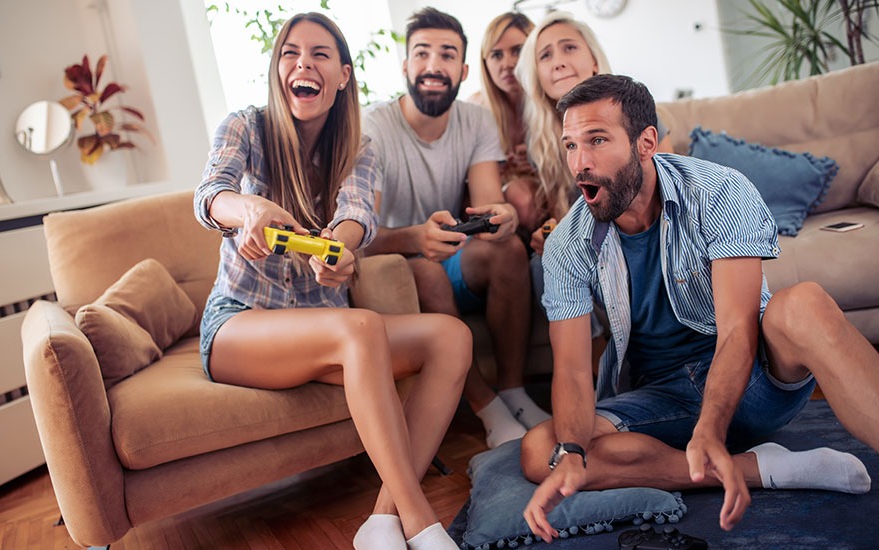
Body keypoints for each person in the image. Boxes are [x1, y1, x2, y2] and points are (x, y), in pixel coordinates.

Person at [520, 74, 878, 540]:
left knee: (803, 303)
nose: (580, 163)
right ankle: (767, 469)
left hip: (752, 381)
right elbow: (569, 370)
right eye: (570, 146)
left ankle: (720, 450)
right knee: (540, 450)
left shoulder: (718, 191)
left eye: (597, 140)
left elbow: (737, 330)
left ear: (646, 142)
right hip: (663, 401)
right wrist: (571, 452)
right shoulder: (567, 243)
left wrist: (711, 426)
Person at [194, 13, 469, 550]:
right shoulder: (245, 126)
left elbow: (357, 214)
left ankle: (382, 521)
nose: (303, 63)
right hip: (240, 326)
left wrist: (338, 248)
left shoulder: (360, 148)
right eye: (290, 53)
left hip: (324, 327)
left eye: (320, 54)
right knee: (359, 328)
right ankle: (421, 522)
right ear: (278, 70)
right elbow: (210, 194)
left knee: (452, 338)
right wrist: (245, 207)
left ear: (343, 75)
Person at [363, 7, 546, 449]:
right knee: (423, 269)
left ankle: (513, 391)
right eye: (422, 53)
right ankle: (487, 408)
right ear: (405, 65)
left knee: (510, 251)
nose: (433, 65)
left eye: (447, 55)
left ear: (463, 70)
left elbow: (488, 205)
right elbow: (363, 236)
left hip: (451, 253)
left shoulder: (476, 120)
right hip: (393, 263)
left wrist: (502, 219)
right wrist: (414, 238)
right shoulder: (373, 126)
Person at [515, 11, 673, 249]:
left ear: (594, 61)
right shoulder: (538, 142)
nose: (558, 62)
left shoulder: (636, 114)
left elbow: (672, 191)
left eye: (569, 47)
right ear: (537, 75)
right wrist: (554, 233)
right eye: (545, 55)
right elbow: (563, 215)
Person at [467, 12, 541, 233]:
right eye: (496, 55)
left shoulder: (554, 102)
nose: (507, 64)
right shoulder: (475, 108)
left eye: (517, 51)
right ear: (485, 62)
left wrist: (538, 163)